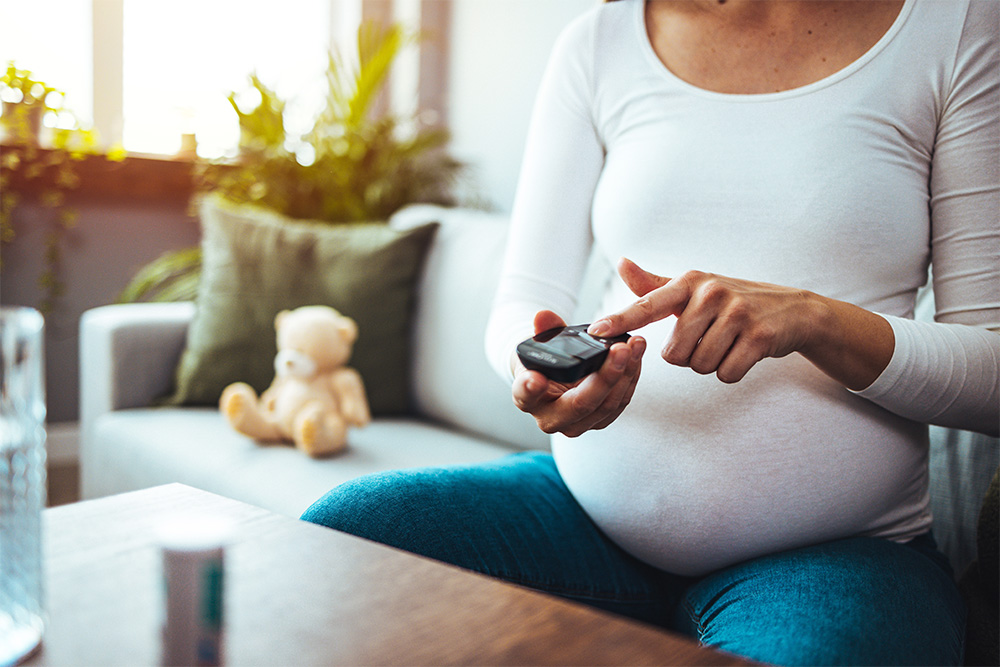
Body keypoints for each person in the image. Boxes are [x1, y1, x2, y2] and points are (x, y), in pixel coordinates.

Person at [302, 1, 999, 664]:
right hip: (586, 519)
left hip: (844, 552)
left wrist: (816, 319)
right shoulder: (599, 43)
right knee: (342, 536)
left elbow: (990, 375)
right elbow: (524, 299)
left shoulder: (955, 26)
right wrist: (535, 374)